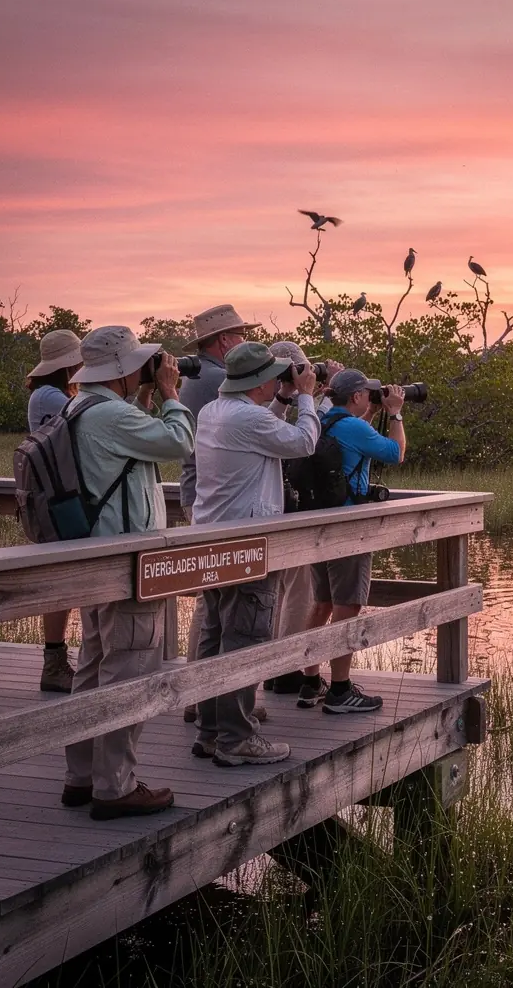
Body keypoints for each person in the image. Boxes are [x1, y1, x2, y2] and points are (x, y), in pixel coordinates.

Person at [61, 326, 196, 820]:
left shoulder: (79, 407)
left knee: (94, 666)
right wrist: (169, 392)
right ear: (120, 369)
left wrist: (141, 393)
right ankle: (115, 786)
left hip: (95, 556)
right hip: (126, 562)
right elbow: (179, 442)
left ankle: (81, 775)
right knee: (130, 669)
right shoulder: (113, 414)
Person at [190, 342, 320, 766]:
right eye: (276, 375)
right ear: (259, 381)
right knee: (246, 638)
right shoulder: (247, 417)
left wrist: (283, 399)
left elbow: (266, 433)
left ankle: (211, 731)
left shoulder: (215, 411)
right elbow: (303, 443)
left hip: (210, 539)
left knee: (215, 635)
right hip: (246, 544)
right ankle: (237, 739)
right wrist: (305, 396)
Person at [295, 369, 406, 714]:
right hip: (348, 525)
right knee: (348, 605)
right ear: (356, 396)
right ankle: (341, 690)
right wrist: (396, 413)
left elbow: (355, 443)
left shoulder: (323, 420)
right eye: (366, 394)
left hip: (319, 523)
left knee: (323, 602)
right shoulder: (354, 427)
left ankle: (310, 680)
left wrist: (371, 412)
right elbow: (395, 452)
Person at [177, 305, 258, 723]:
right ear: (225, 340)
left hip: (199, 493)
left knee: (212, 600)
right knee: (218, 607)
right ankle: (205, 697)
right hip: (216, 500)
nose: (244, 340)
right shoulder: (215, 379)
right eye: (241, 335)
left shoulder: (196, 378)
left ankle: (203, 696)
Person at [266, 343, 342, 697]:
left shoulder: (266, 401)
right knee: (299, 591)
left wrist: (317, 394)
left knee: (277, 593)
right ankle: (286, 669)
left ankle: (274, 665)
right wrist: (317, 394)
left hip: (270, 511)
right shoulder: (275, 406)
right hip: (284, 510)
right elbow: (307, 437)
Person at [25, 329, 83, 692]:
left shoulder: (46, 393)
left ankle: (57, 661)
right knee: (62, 582)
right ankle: (55, 662)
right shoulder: (49, 396)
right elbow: (83, 419)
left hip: (53, 495)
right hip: (55, 499)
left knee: (66, 581)